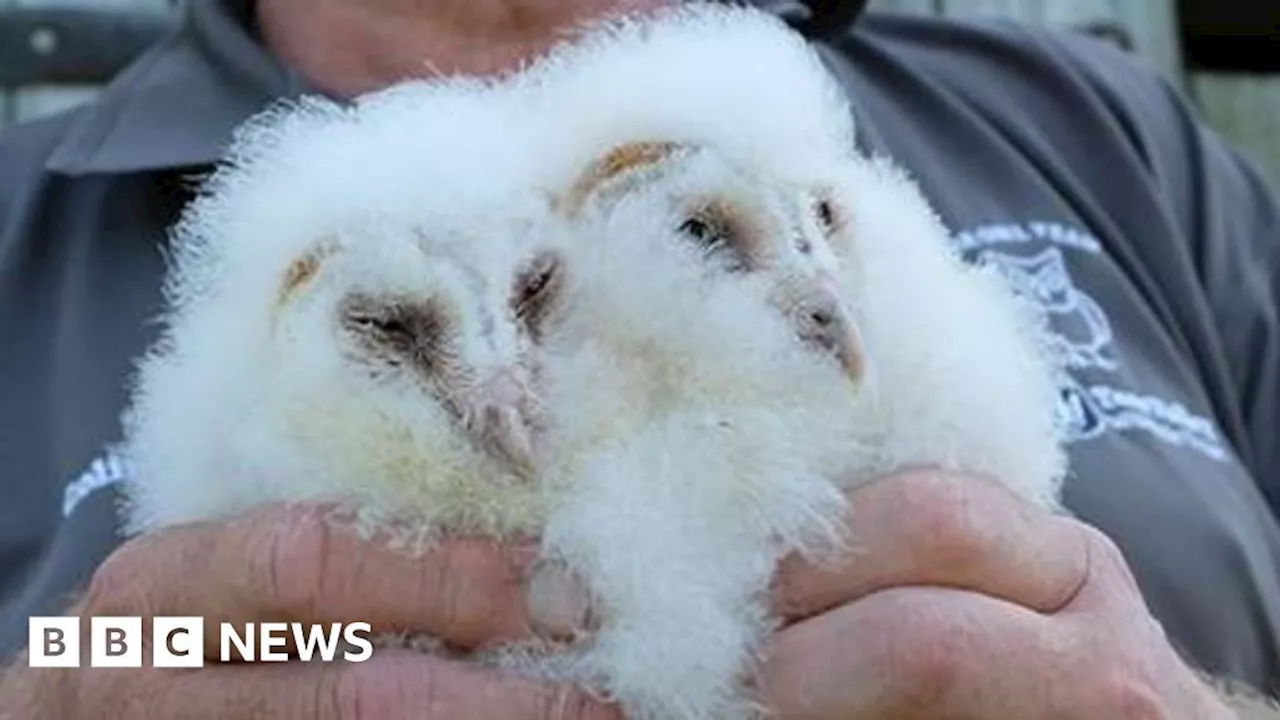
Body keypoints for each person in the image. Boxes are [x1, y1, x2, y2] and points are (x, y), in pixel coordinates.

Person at [0, 0, 1276, 716]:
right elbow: (73, 669)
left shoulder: (1096, 130)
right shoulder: (23, 216)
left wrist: (1196, 712)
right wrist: (75, 675)